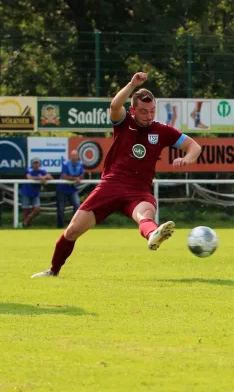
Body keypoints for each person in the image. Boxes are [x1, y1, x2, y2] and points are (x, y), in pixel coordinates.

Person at [31, 72, 202, 278]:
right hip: (111, 185)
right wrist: (131, 84)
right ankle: (53, 271)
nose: (149, 116)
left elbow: (194, 146)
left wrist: (188, 159)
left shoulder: (163, 130)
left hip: (138, 190)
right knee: (72, 231)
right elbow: (114, 106)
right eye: (143, 112)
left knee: (145, 214)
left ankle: (153, 234)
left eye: (152, 111)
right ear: (133, 110)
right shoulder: (123, 122)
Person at [20, 158, 53, 229]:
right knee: (25, 210)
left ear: (39, 164)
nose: (36, 165)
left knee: (37, 209)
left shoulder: (42, 170)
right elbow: (29, 177)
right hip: (26, 192)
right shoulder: (29, 169)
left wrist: (44, 177)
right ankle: (23, 226)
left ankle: (27, 220)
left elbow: (50, 177)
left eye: (37, 163)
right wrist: (41, 178)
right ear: (32, 164)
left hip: (35, 193)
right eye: (35, 163)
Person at [56, 150, 84, 228]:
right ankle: (60, 226)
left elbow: (82, 176)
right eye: (72, 155)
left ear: (78, 156)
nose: (74, 157)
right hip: (62, 189)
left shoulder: (80, 164)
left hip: (73, 189)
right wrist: (76, 179)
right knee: (61, 208)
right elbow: (64, 176)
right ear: (70, 156)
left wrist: (78, 178)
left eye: (75, 155)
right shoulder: (65, 164)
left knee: (77, 205)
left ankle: (74, 225)